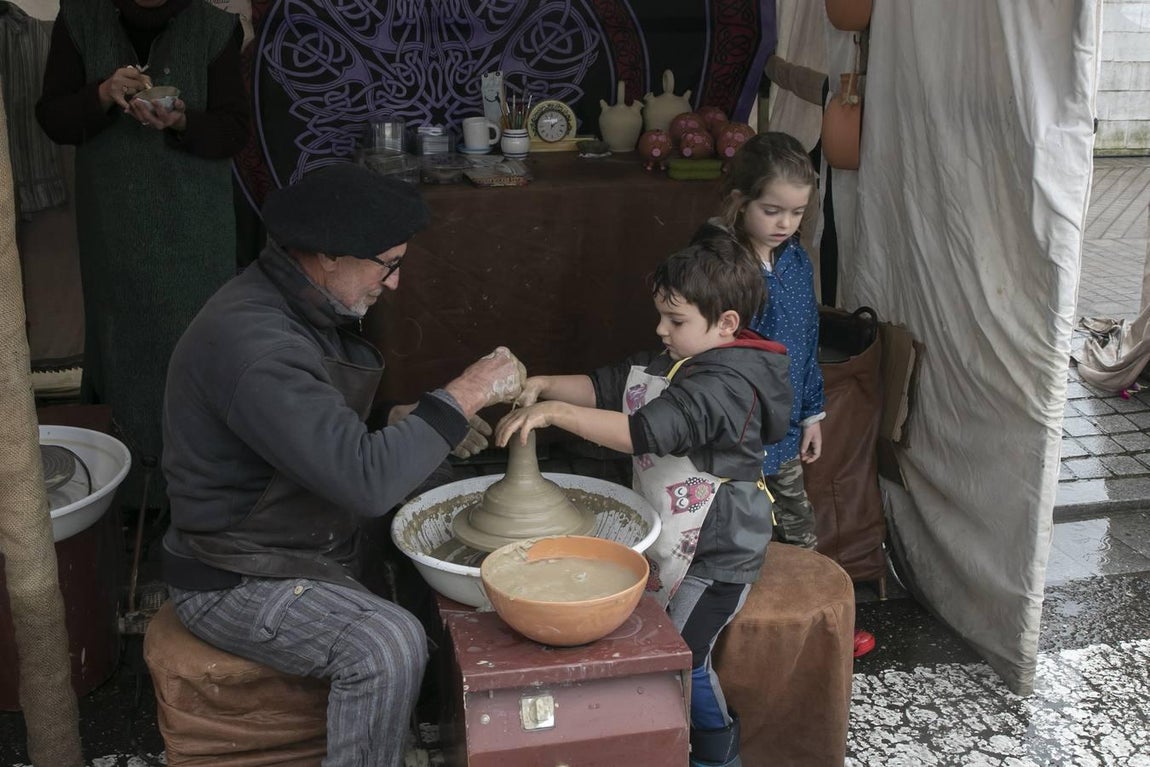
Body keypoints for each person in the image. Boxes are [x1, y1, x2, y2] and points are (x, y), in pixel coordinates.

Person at [159, 163, 526, 767]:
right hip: (236, 571)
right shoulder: (257, 345)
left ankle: (436, 718)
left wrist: (398, 421)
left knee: (435, 489)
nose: (398, 282)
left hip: (290, 532)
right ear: (329, 255)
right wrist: (465, 392)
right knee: (385, 644)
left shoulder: (296, 303)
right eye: (389, 263)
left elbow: (309, 431)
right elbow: (364, 481)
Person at [495, 237, 792, 767]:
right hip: (670, 537)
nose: (661, 330)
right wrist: (544, 385)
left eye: (675, 320)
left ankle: (715, 754)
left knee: (683, 656)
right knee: (645, 643)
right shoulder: (676, 359)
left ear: (725, 324)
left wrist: (556, 415)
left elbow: (643, 432)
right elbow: (609, 386)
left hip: (719, 554)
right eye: (661, 316)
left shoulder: (726, 384)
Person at [35, 0, 248, 500]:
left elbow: (234, 131)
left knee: (196, 347)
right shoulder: (80, 20)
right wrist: (103, 95)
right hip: (114, 229)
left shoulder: (214, 28)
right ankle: (128, 492)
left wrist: (180, 123)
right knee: (122, 346)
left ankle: (201, 491)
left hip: (197, 228)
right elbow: (53, 119)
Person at [696, 130, 876, 658]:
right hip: (734, 437)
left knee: (800, 534)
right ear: (739, 201)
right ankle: (728, 640)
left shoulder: (796, 261)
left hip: (785, 431)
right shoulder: (718, 269)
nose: (784, 225)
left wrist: (811, 415)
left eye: (796, 213)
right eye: (772, 210)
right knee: (729, 539)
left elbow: (805, 343)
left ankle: (822, 634)